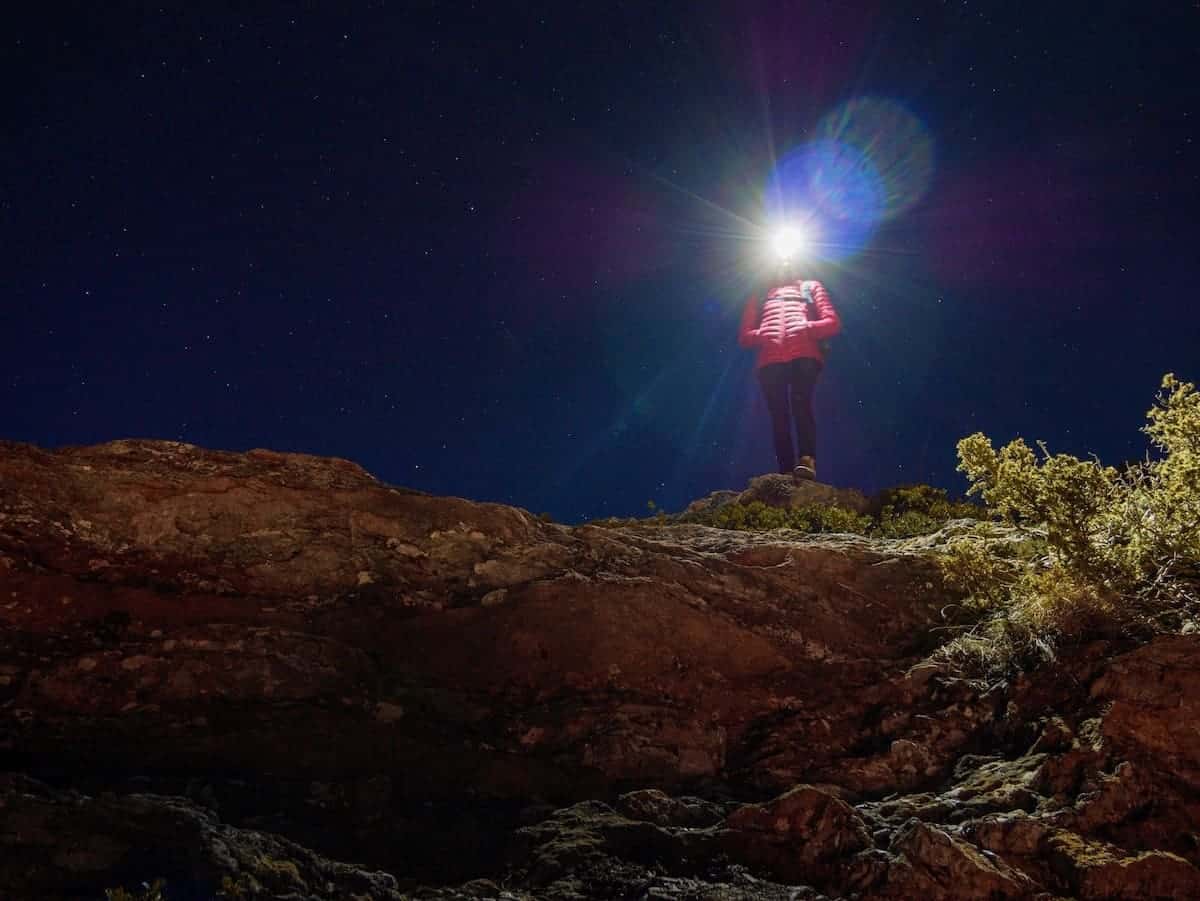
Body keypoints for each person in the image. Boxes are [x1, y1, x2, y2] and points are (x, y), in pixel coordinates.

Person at [738, 260, 841, 481]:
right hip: (770, 359)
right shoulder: (761, 294)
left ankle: (806, 461)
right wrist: (762, 333)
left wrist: (807, 327)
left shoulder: (810, 287)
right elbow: (744, 336)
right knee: (779, 415)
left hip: (804, 355)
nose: (783, 264)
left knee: (801, 404)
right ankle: (785, 470)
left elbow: (833, 322)